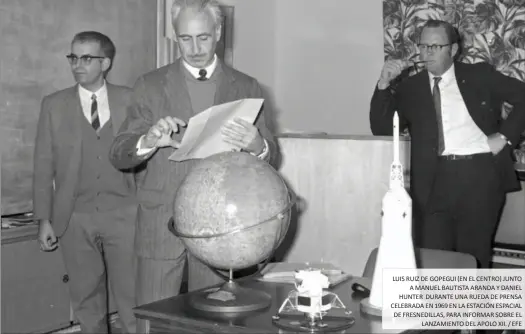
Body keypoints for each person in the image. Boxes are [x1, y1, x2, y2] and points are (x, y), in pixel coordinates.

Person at [108, 0, 276, 328]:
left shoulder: (246, 86)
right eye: (185, 39)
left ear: (218, 33)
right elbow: (119, 152)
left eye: (203, 37)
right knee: (152, 322)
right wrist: (148, 141)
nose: (195, 48)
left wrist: (258, 144)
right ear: (175, 37)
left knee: (214, 323)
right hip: (160, 223)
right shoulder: (149, 85)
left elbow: (272, 156)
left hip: (220, 228)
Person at [369, 19, 525, 268]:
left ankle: (472, 307)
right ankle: (439, 307)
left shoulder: (479, 75)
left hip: (479, 176)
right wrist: (384, 84)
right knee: (434, 260)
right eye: (423, 46)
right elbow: (382, 129)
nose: (427, 53)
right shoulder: (411, 87)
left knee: (473, 258)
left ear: (453, 50)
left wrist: (505, 137)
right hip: (431, 182)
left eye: (435, 46)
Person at [33, 31, 138, 333]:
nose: (77, 65)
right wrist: (44, 219)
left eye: (86, 58)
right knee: (86, 300)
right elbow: (42, 165)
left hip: (125, 215)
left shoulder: (130, 99)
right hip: (74, 217)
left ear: (105, 62)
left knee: (132, 298)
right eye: (73, 57)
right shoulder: (53, 105)